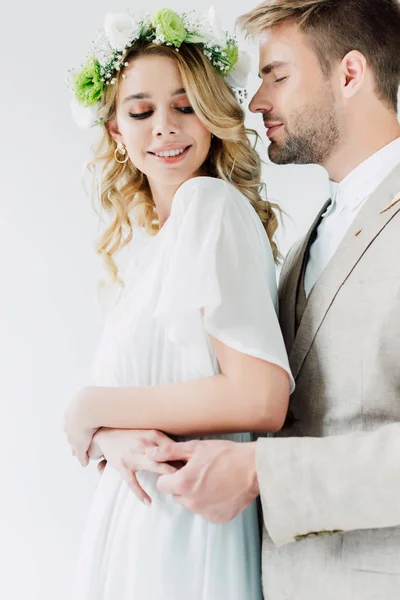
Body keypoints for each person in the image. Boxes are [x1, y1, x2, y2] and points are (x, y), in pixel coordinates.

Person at [132, 1, 400, 599]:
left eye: (276, 75)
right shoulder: (311, 234)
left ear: (350, 74)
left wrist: (262, 472)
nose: (255, 103)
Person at [64, 8, 293, 600]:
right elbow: (152, 405)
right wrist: (107, 435)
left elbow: (260, 396)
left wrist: (91, 407)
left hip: (186, 531)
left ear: (215, 115)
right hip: (140, 524)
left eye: (186, 105)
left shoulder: (207, 205)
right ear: (116, 130)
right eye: (141, 112)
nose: (164, 127)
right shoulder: (152, 250)